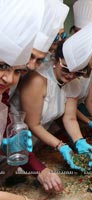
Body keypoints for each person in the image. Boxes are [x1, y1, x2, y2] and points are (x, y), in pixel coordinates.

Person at [11, 21, 92, 172]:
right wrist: (61, 146)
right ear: (55, 59)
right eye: (66, 68)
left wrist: (79, 141)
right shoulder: (37, 80)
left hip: (41, 142)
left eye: (78, 73)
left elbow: (70, 118)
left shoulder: (75, 84)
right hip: (16, 143)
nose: (71, 76)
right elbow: (33, 124)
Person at [0, 0, 64, 199]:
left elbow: (10, 135)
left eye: (17, 71)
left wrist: (41, 170)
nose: (9, 79)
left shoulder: (3, 97)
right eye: (2, 66)